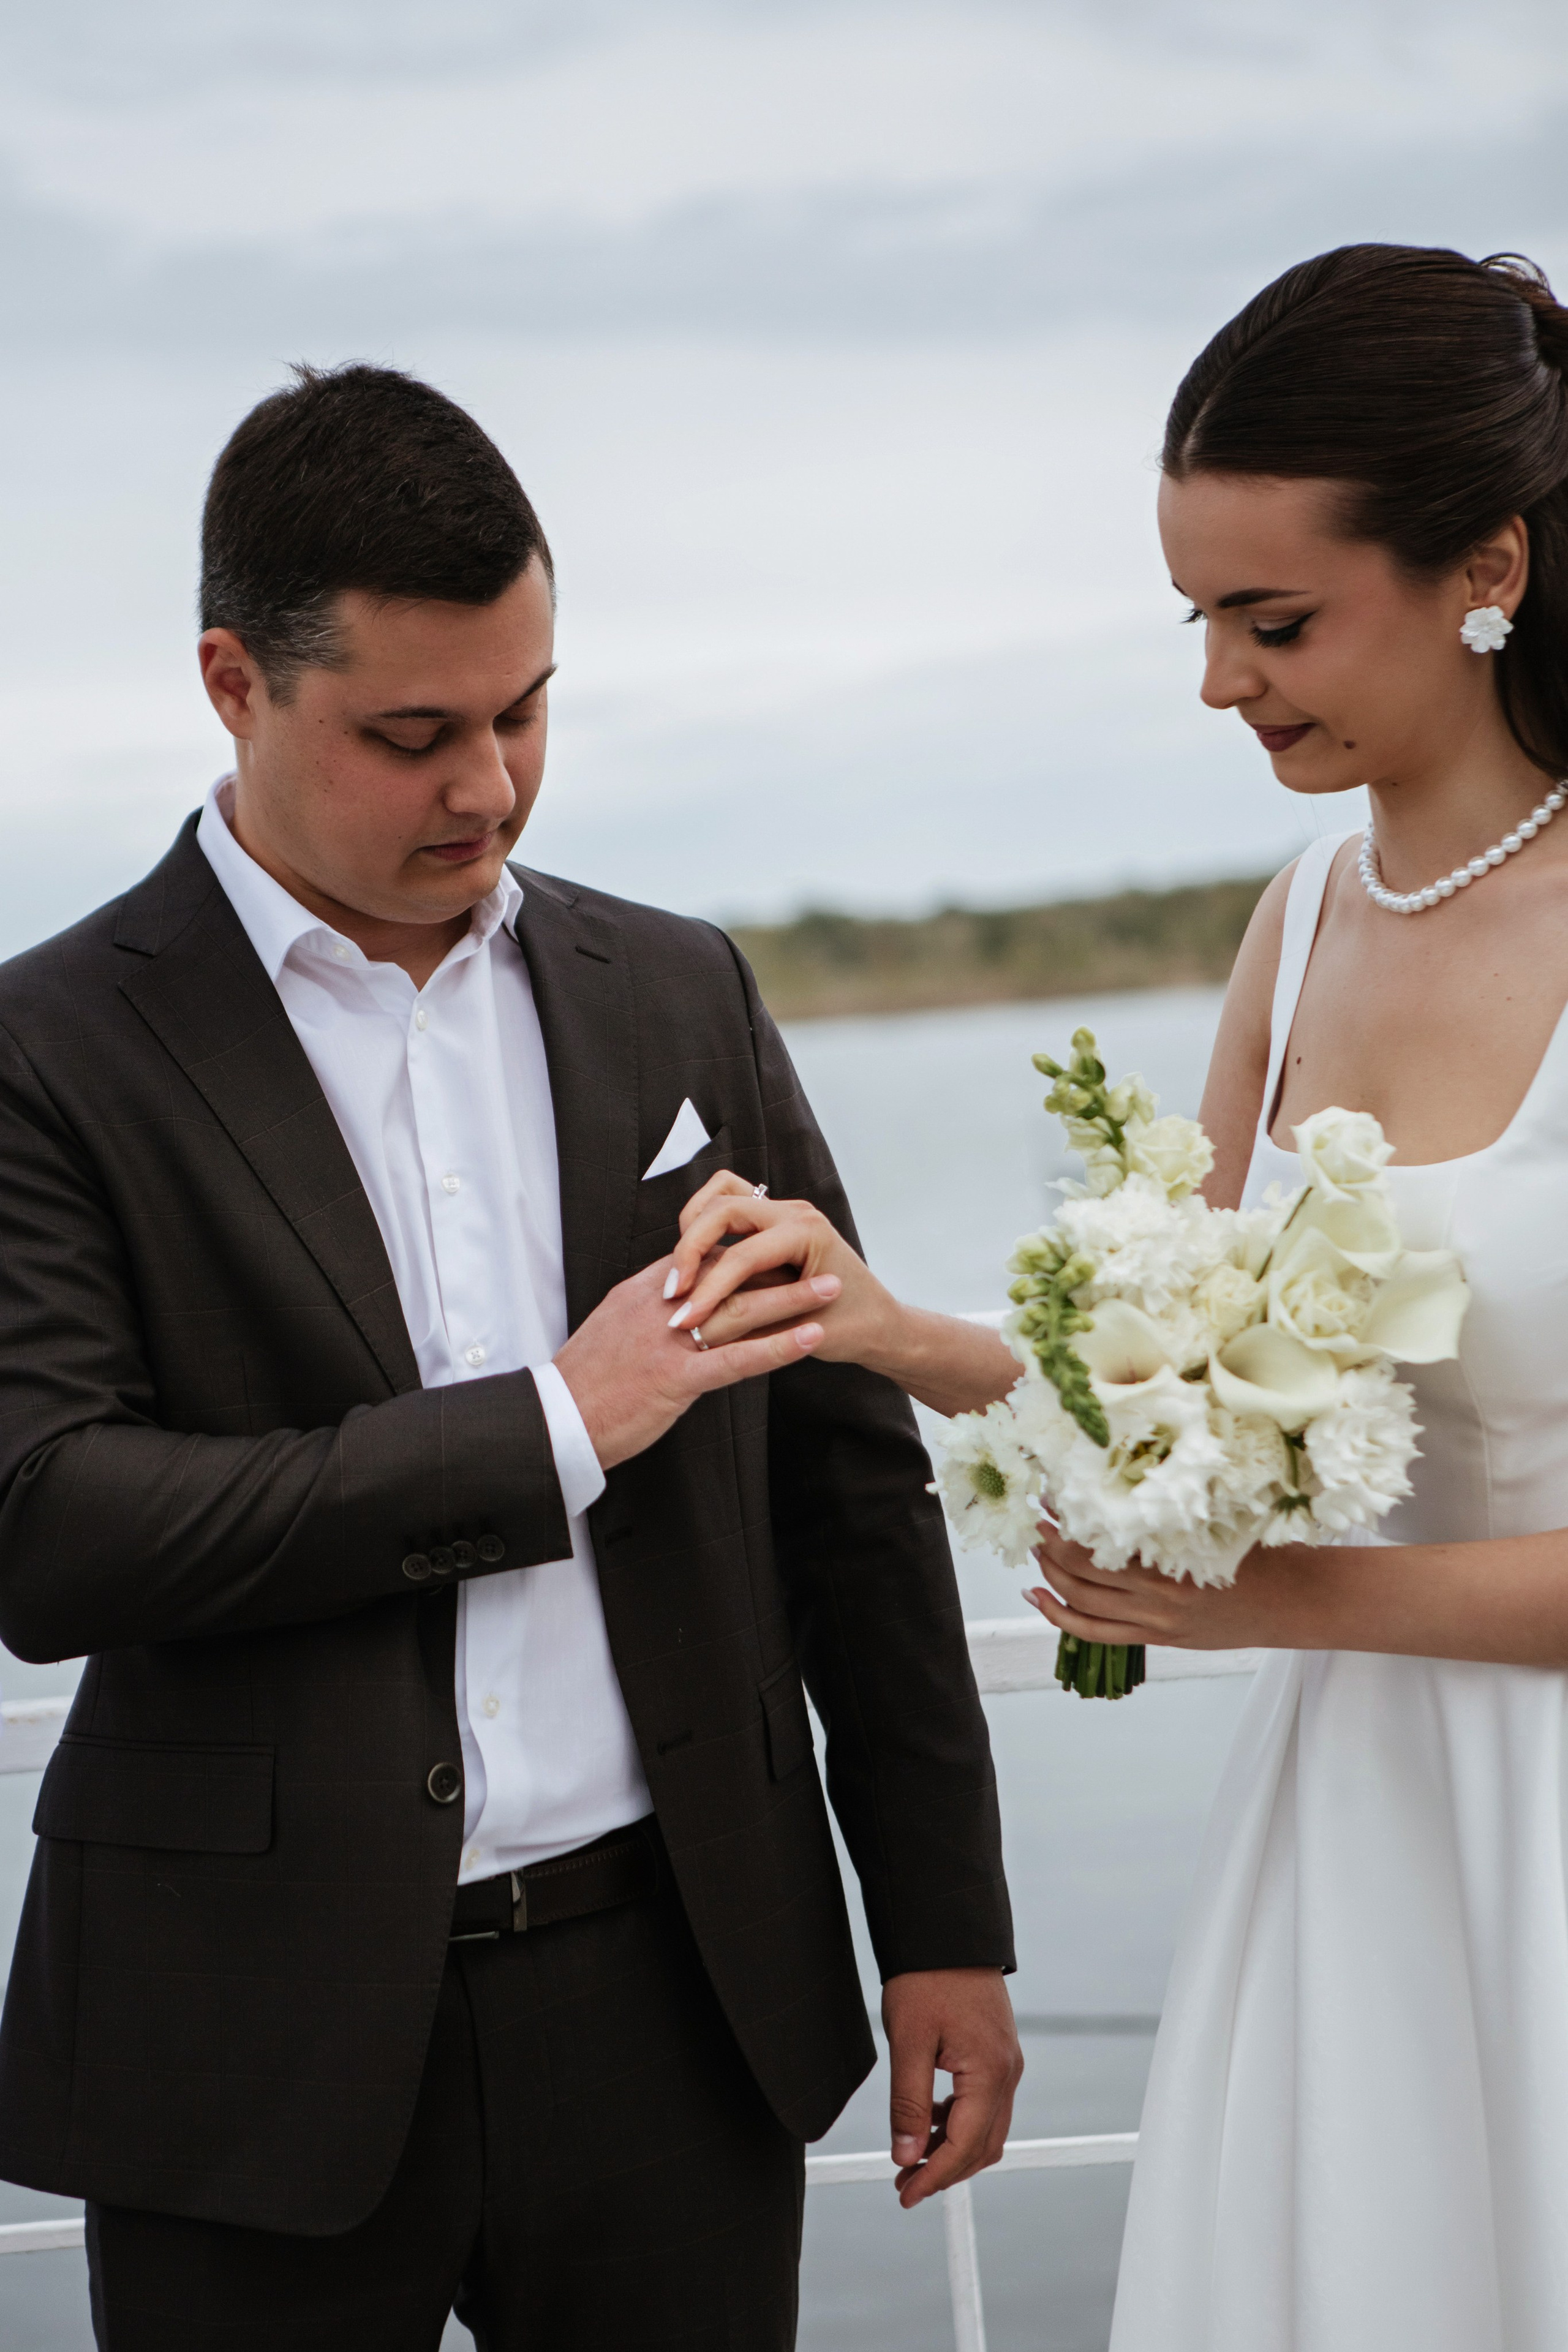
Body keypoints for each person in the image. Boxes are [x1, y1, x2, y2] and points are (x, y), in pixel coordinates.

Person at [0, 363, 1022, 2352]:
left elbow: (847, 1484)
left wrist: (947, 1932)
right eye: (413, 734)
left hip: (680, 1995)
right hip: (246, 2040)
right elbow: (48, 1531)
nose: (490, 786)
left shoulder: (679, 988)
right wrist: (562, 1421)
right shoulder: (44, 1051)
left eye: (525, 709)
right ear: (233, 681)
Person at [669, 243, 1568, 2350]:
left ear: (1487, 566)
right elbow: (1166, 1390)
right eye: (1201, 621)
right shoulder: (1302, 917)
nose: (1221, 682)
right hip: (1354, 1852)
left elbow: (1274, 1559)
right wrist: (887, 1329)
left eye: (1276, 622)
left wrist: (1268, 1609)